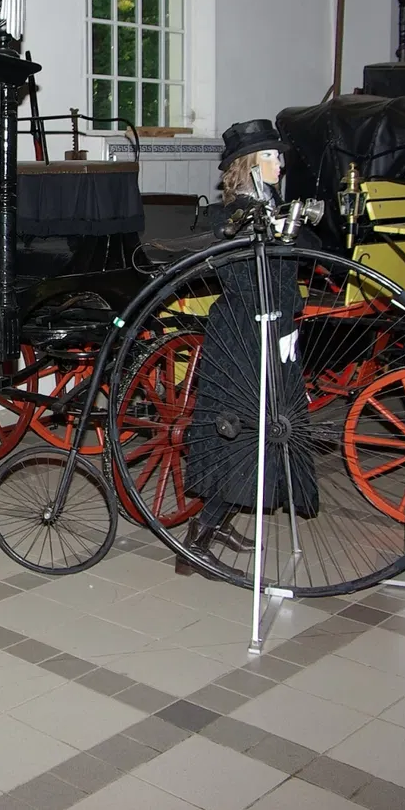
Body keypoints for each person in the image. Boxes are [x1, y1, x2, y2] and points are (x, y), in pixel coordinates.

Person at [178, 119, 319, 572]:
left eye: (279, 155)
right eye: (270, 156)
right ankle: (198, 537)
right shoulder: (231, 217)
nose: (280, 163)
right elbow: (243, 280)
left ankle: (215, 522)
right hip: (245, 331)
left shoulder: (274, 209)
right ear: (248, 165)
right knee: (242, 428)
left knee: (269, 425)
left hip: (273, 324)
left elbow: (296, 264)